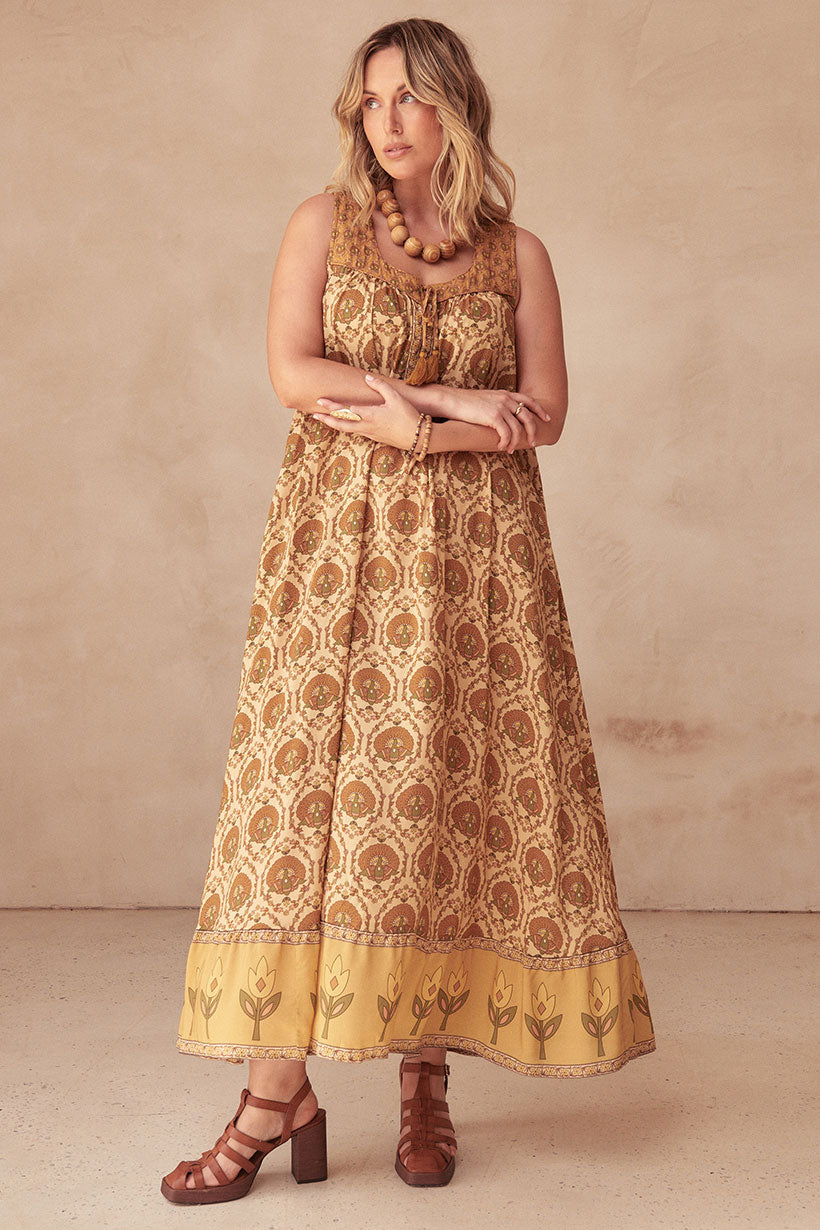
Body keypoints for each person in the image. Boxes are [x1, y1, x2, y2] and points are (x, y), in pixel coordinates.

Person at [161, 16, 657, 1205]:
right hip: (338, 557)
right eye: (370, 99)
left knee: (442, 801)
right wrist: (449, 402)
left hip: (481, 568)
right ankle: (274, 1096)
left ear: (455, 109)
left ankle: (424, 1081)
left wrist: (424, 427)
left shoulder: (517, 254)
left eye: (409, 98)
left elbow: (543, 413)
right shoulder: (323, 227)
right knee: (303, 812)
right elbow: (294, 372)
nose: (385, 121)